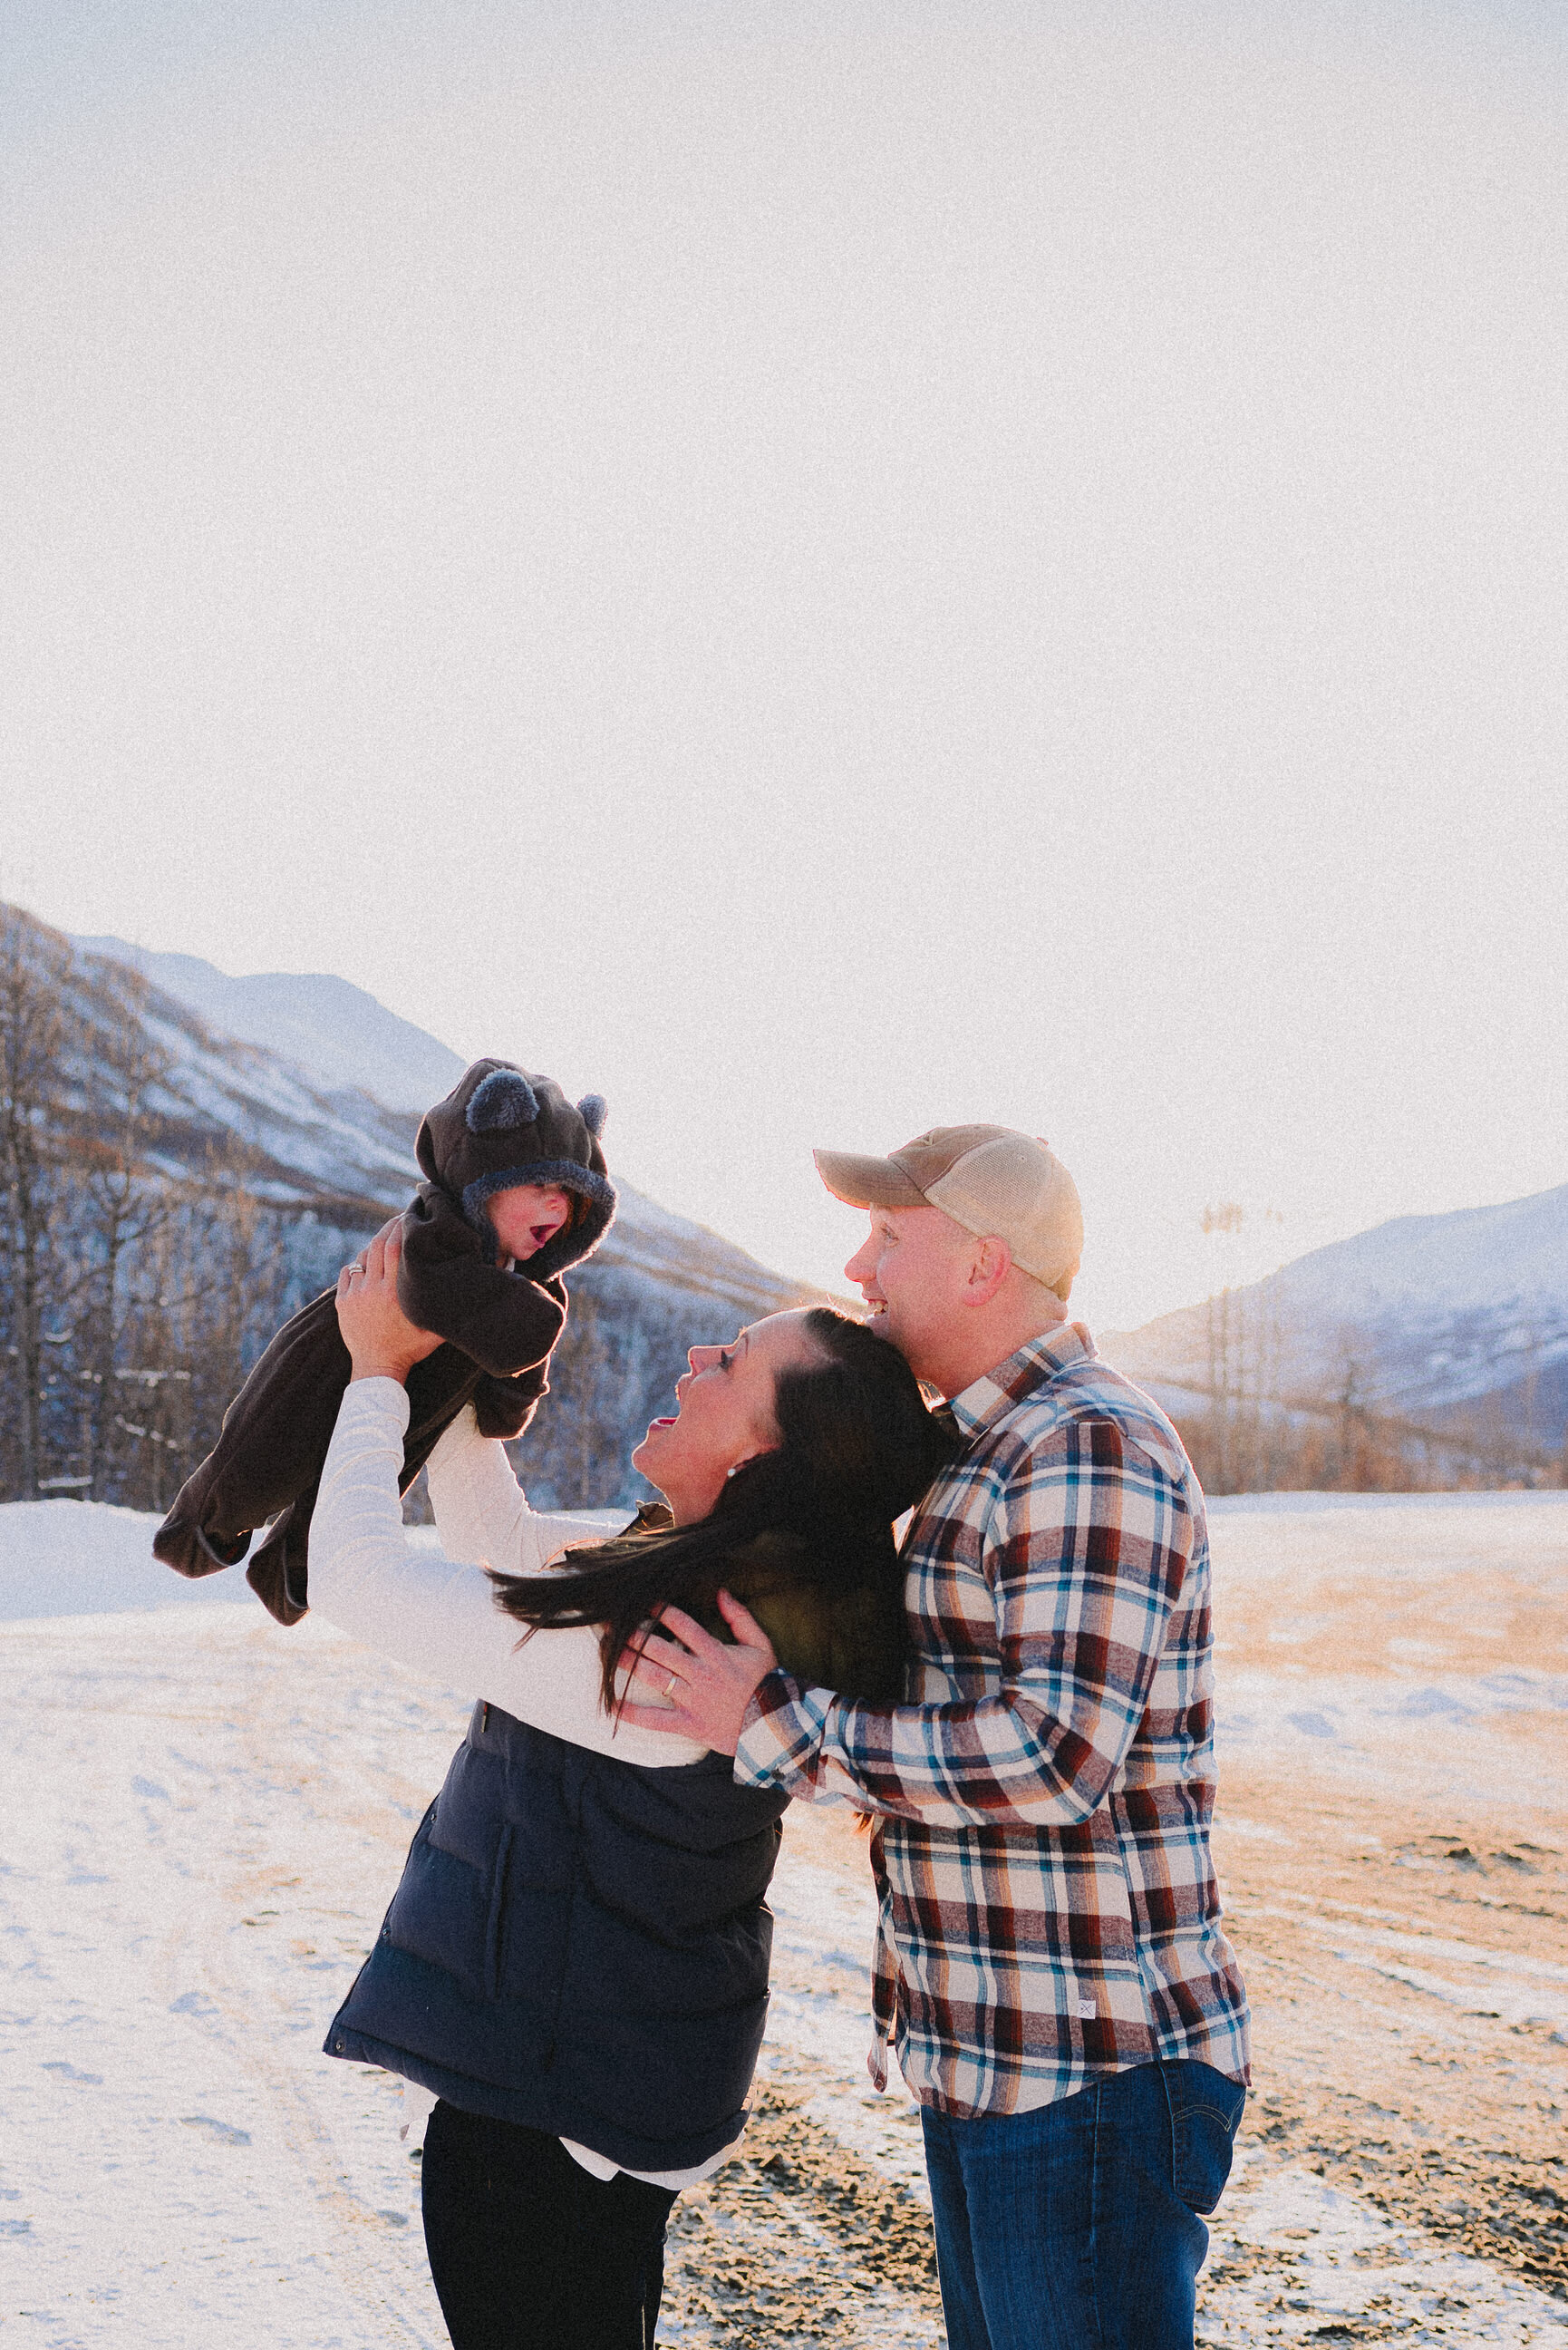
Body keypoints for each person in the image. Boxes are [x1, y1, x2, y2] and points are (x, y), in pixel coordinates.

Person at [622, 1124, 1252, 2350]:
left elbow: (1053, 1755)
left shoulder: (1082, 1446)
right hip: (1002, 2056)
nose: (857, 1270)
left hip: (1091, 2071)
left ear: (980, 1263)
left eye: (886, 1238)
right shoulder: (985, 1453)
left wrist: (771, 1722)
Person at [307, 1224, 953, 2350]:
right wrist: (459, 1371)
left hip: (546, 2112)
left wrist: (374, 1368)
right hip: (598, 2091)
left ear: (762, 1458)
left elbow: (356, 1580)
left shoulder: (665, 1639)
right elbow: (499, 1539)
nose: (697, 1358)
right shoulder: (717, 1583)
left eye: (732, 1365)